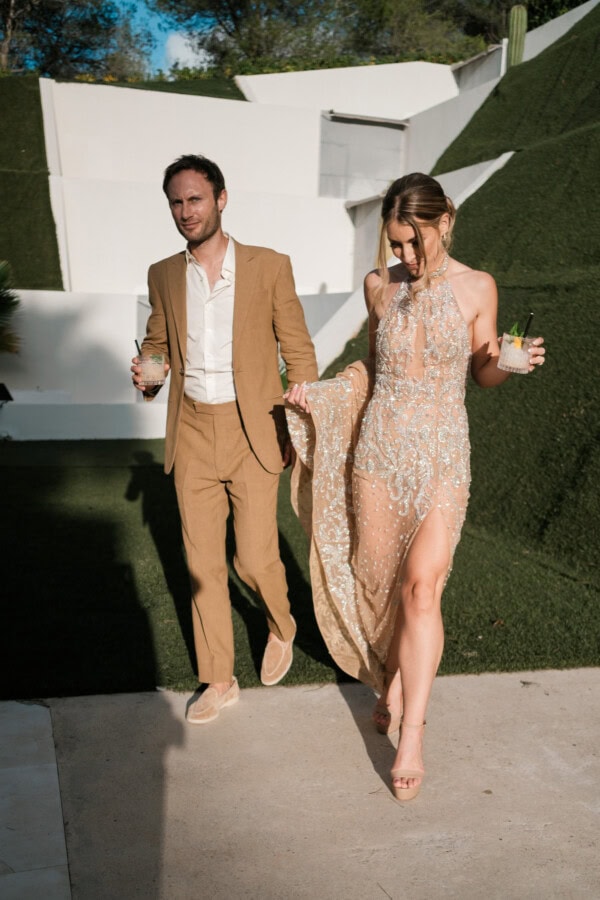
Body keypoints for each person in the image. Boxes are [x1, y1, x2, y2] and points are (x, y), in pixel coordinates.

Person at [284, 172, 545, 800]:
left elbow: (482, 372)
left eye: (413, 241)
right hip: (379, 455)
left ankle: (413, 738)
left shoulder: (478, 286)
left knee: (423, 589)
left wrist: (508, 363)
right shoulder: (380, 285)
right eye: (395, 243)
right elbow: (373, 369)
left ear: (443, 221)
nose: (404, 255)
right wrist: (323, 395)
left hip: (442, 458)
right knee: (382, 586)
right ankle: (394, 679)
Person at [132, 154, 318, 724]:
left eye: (195, 199)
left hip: (252, 427)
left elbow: (298, 349)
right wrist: (148, 374)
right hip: (191, 429)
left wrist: (300, 412)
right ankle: (218, 678)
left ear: (221, 199)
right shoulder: (163, 274)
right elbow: (157, 344)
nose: (185, 211)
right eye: (176, 202)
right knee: (201, 564)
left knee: (255, 558)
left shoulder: (269, 266)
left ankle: (281, 624)